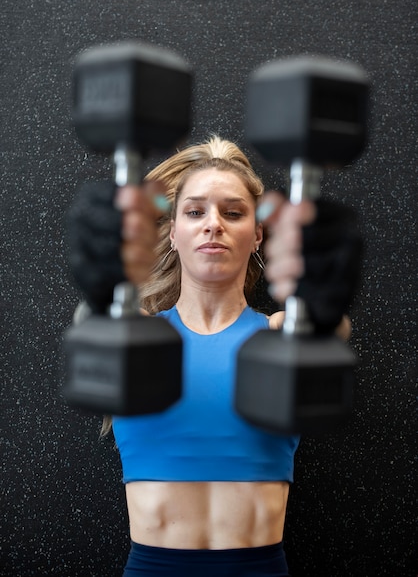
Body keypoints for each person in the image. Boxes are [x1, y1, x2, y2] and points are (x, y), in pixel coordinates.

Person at [67, 135, 358, 576]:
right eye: (195, 211)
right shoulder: (137, 336)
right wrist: (102, 276)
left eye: (234, 212)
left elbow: (332, 330)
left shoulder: (281, 335)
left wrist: (322, 292)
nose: (213, 224)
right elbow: (88, 320)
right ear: (173, 231)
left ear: (258, 233)